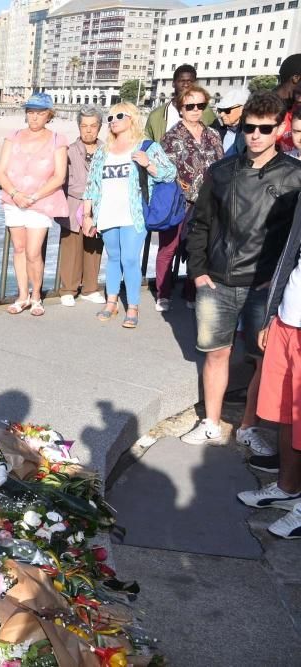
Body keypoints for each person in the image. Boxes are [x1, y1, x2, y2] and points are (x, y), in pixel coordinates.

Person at [182, 92, 301, 452]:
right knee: (215, 353)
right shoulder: (219, 172)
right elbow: (199, 224)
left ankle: (249, 425)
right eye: (249, 127)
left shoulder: (295, 178)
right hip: (216, 281)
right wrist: (198, 271)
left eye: (265, 129)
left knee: (260, 359)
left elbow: (294, 244)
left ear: (279, 128)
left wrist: (274, 283)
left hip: (262, 288)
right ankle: (211, 423)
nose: (255, 135)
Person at [237, 174, 301, 538]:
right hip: (290, 318)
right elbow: (289, 254)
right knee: (289, 413)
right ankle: (288, 489)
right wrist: (272, 313)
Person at [82, 102, 177, 329]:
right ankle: (112, 302)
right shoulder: (103, 151)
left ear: (132, 118)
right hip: (107, 212)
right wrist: (87, 215)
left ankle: (133, 306)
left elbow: (170, 173)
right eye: (110, 117)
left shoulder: (147, 147)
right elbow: (92, 185)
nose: (113, 120)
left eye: (119, 116)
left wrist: (149, 165)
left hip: (134, 214)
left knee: (130, 259)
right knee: (113, 258)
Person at [0, 92, 69, 317]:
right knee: (18, 248)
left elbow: (59, 177)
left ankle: (36, 296)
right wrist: (16, 194)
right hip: (14, 200)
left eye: (40, 113)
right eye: (31, 112)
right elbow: (1, 171)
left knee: (33, 251)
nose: (34, 117)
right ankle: (22, 296)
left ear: (49, 115)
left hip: (41, 203)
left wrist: (34, 197)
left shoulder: (58, 139)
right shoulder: (13, 136)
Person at [157, 85, 224, 313]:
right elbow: (162, 172)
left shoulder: (214, 135)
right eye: (190, 106)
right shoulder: (170, 137)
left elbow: (221, 167)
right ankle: (163, 293)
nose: (196, 110)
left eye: (201, 105)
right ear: (181, 108)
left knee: (199, 249)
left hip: (207, 203)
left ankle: (191, 292)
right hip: (178, 203)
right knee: (169, 247)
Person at [58, 105, 105, 307]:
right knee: (71, 247)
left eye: (93, 126)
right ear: (78, 127)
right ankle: (68, 289)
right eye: (84, 125)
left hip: (98, 206)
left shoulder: (107, 150)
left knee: (94, 247)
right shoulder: (68, 150)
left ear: (99, 127)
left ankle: (90, 288)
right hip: (73, 203)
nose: (88, 130)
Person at [145, 64, 217, 142]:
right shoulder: (156, 115)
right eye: (181, 81)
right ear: (173, 83)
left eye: (190, 81)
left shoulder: (205, 112)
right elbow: (147, 143)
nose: (186, 85)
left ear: (195, 83)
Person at [214, 87, 249, 158]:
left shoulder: (250, 134)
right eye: (220, 110)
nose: (222, 114)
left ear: (241, 109)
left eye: (227, 110)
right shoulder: (216, 129)